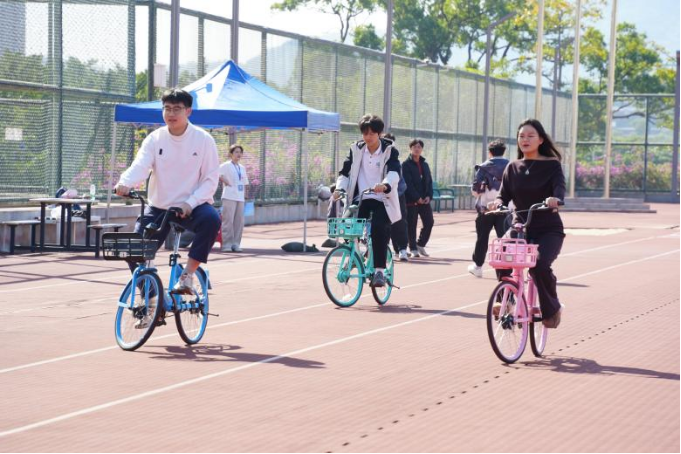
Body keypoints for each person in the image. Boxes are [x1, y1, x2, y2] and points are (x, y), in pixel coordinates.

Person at [115, 88, 221, 296]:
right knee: (133, 249)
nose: (171, 113)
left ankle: (187, 275)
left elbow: (210, 180)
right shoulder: (155, 139)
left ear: (188, 111)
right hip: (159, 207)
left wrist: (190, 203)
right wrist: (124, 183)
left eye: (177, 109)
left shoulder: (203, 140)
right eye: (167, 108)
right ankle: (152, 297)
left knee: (212, 220)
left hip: (192, 206)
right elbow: (140, 166)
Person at [490, 119, 566, 329]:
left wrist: (555, 199)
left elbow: (559, 188)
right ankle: (506, 300)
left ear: (540, 140)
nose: (525, 139)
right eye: (521, 136)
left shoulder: (552, 165)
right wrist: (497, 203)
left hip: (548, 229)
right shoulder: (512, 167)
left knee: (539, 266)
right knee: (501, 255)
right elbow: (503, 195)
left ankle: (552, 309)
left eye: (531, 136)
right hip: (520, 227)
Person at [334, 114, 401, 288]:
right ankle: (354, 256)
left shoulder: (389, 150)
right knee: (348, 225)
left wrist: (385, 185)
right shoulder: (356, 149)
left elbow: (394, 172)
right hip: (361, 197)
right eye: (365, 133)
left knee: (378, 228)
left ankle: (379, 271)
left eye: (372, 133)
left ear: (379, 133)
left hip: (382, 198)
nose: (368, 137)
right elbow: (345, 173)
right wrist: (339, 189)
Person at [468, 139, 510, 278]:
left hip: (485, 209)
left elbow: (476, 190)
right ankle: (505, 269)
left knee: (482, 238)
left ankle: (478, 266)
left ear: (490, 152)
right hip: (504, 208)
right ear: (504, 152)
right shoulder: (511, 166)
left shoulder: (483, 167)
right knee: (505, 239)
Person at [402, 138, 434, 258]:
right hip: (411, 201)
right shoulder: (405, 165)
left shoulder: (425, 164)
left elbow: (429, 182)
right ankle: (413, 248)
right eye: (414, 147)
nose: (417, 149)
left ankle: (420, 244)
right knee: (412, 225)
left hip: (424, 200)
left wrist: (428, 196)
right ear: (410, 148)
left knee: (429, 222)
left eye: (419, 147)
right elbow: (408, 184)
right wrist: (416, 197)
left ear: (422, 149)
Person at [383, 133, 410, 262]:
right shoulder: (376, 156)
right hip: (381, 196)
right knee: (384, 224)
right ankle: (386, 249)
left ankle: (402, 249)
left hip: (397, 195)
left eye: (390, 142)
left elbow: (399, 180)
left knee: (400, 222)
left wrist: (394, 192)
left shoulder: (394, 158)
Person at [219, 144, 250, 252]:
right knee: (228, 221)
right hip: (229, 196)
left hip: (240, 197)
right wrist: (226, 182)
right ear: (231, 154)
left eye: (240, 152)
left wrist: (245, 194)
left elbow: (245, 182)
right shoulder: (226, 165)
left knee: (239, 222)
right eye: (236, 152)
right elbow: (217, 174)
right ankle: (227, 245)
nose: (238, 154)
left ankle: (236, 244)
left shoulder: (242, 167)